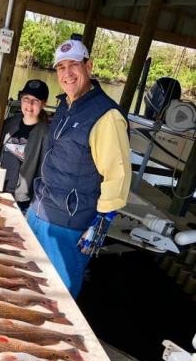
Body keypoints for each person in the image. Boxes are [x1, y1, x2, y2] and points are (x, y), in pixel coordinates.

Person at [27, 36, 132, 299]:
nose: (67, 73)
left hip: (69, 224)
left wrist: (103, 221)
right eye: (61, 67)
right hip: (40, 210)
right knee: (25, 282)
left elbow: (117, 175)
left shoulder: (106, 116)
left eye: (74, 64)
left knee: (56, 297)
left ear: (89, 66)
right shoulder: (65, 104)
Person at [0, 79, 49, 213]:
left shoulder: (47, 133)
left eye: (36, 100)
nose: (29, 105)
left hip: (23, 201)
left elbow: (44, 171)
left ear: (44, 103)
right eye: (26, 99)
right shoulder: (9, 123)